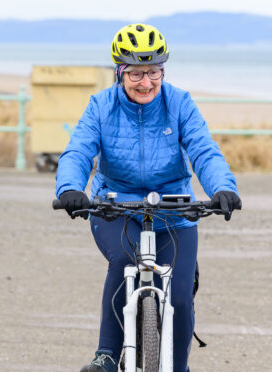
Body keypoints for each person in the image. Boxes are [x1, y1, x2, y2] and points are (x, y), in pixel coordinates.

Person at [55, 23, 242, 372]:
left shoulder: (180, 103)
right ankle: (107, 355)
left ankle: (178, 367)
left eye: (154, 72)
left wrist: (223, 188)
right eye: (136, 73)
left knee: (181, 297)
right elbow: (78, 152)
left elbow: (204, 150)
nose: (146, 82)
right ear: (120, 72)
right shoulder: (100, 106)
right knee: (125, 262)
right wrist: (70, 189)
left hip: (175, 210)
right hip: (114, 206)